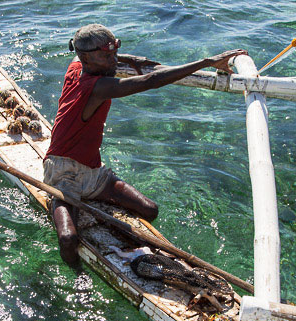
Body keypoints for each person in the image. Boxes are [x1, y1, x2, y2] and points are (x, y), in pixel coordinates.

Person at [45, 23, 246, 266]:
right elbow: (150, 81)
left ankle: (118, 239)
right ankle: (76, 274)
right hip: (62, 172)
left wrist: (133, 60)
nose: (114, 61)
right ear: (86, 57)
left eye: (115, 54)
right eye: (108, 57)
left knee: (150, 210)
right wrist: (206, 62)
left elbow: (119, 62)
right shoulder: (98, 86)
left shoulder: (76, 65)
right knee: (68, 238)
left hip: (92, 171)